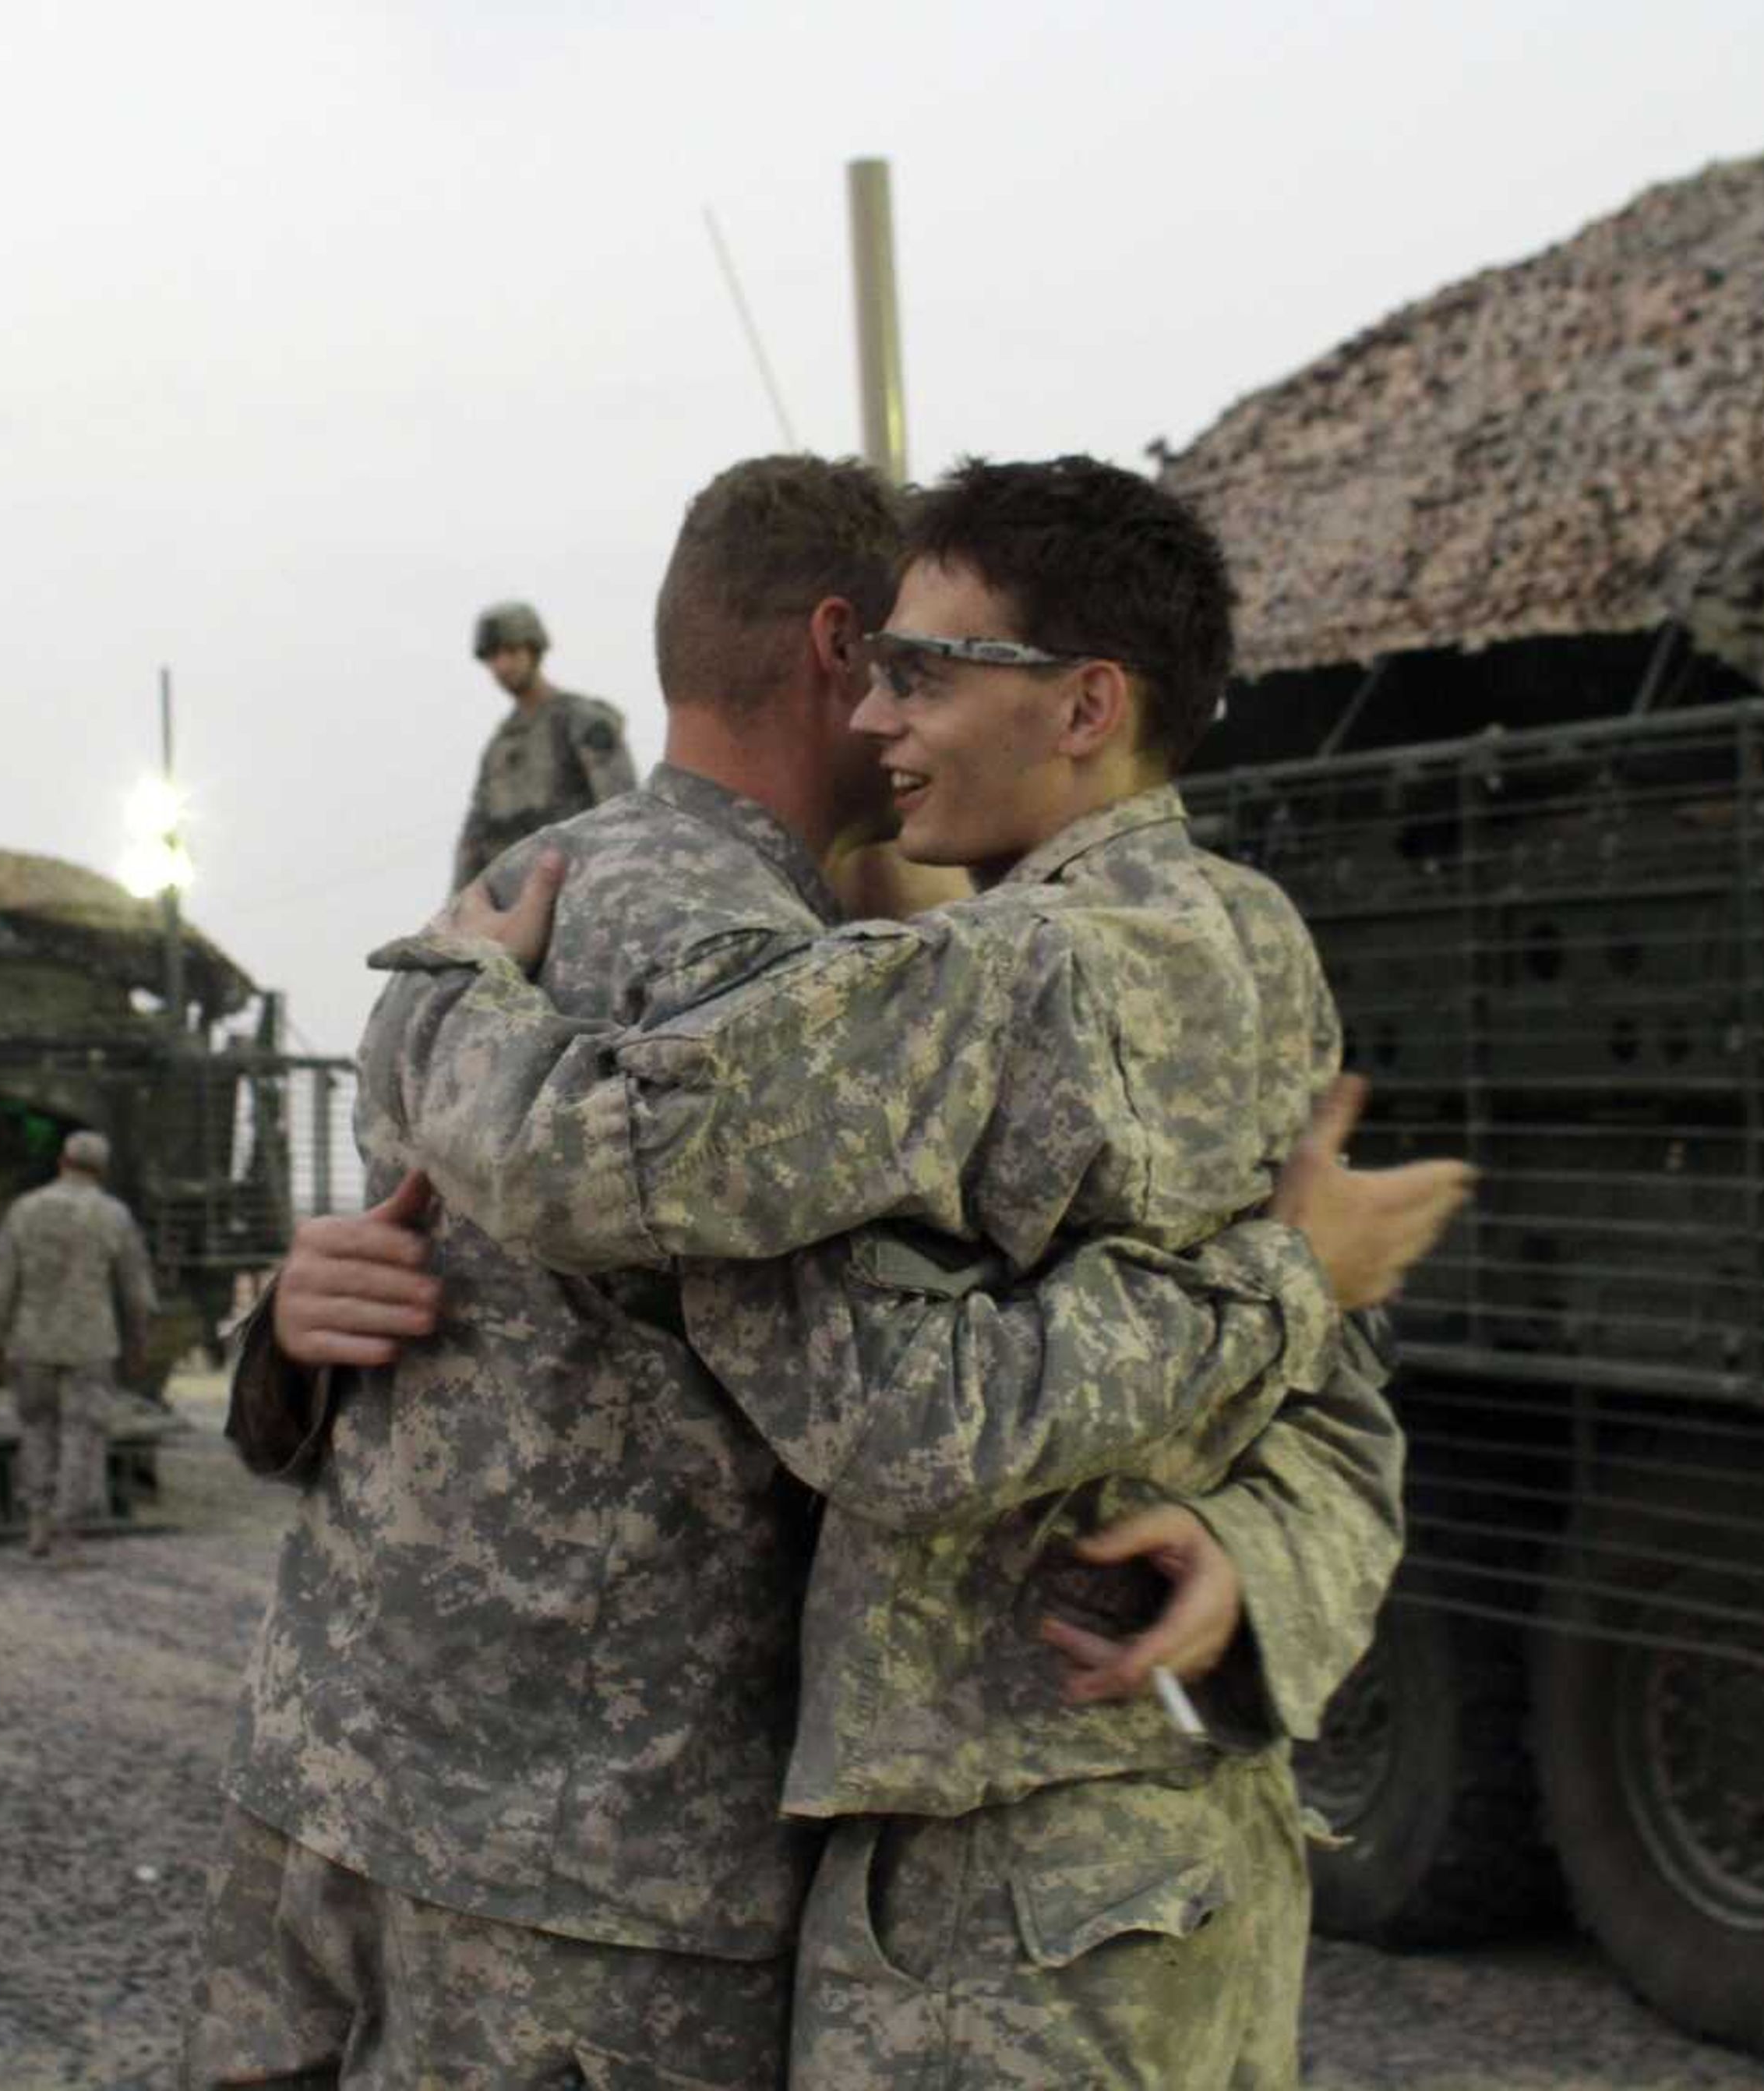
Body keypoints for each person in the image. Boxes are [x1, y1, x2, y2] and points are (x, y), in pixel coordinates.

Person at [183, 457, 1426, 2091]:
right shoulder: (818, 958)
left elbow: (1264, 1401)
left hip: (397, 1805)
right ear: (840, 649)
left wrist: (428, 1002)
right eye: (895, 667)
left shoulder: (551, 912)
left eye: (939, 671)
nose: (903, 714)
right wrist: (289, 1313)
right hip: (596, 1873)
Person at [0, 1129, 157, 1563]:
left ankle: (37, 1520)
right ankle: (67, 1530)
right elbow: (138, 1295)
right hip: (90, 1343)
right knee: (83, 1434)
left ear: (62, 1161)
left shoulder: (24, 1210)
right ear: (102, 1170)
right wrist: (139, 1342)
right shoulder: (113, 1216)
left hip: (31, 1340)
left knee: (36, 1428)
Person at [451, 599, 638, 890]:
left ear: (534, 651)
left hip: (580, 888)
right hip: (515, 904)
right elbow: (475, 838)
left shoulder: (580, 719)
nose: (502, 665)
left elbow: (621, 811)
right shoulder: (499, 746)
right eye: (493, 657)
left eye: (511, 652)